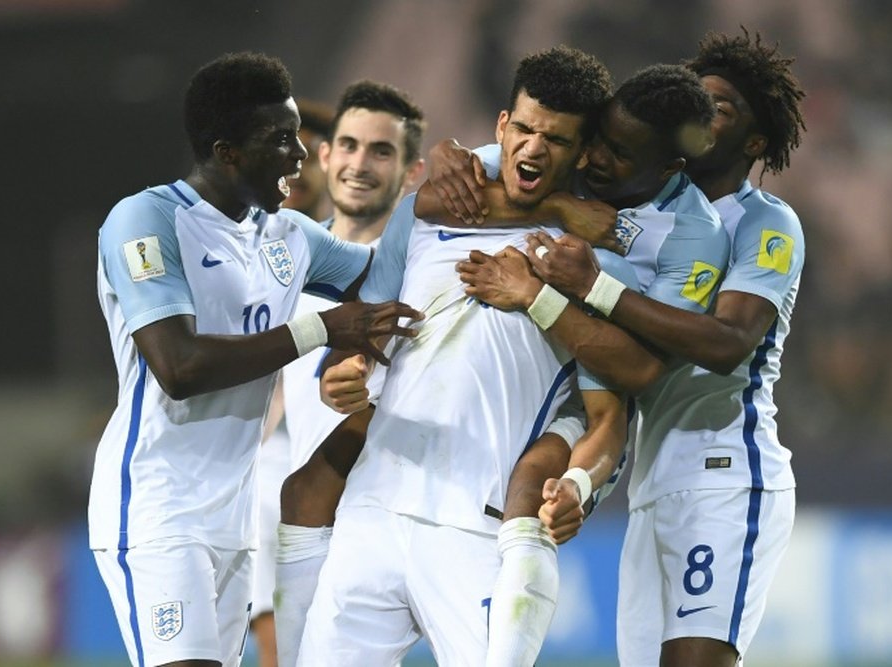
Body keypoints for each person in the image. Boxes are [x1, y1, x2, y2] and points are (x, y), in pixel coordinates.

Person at [460, 30, 807, 667]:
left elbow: (728, 343)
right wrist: (454, 159)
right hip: (652, 479)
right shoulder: (637, 202)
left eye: (722, 109)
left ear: (755, 142)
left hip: (725, 471)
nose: (700, 117)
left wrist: (592, 285)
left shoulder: (764, 222)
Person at [87, 51, 420, 667]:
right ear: (226, 152)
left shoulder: (288, 236)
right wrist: (320, 328)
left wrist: (448, 192)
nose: (299, 155)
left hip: (235, 521)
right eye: (280, 140)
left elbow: (389, 280)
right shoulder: (146, 220)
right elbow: (179, 367)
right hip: (158, 509)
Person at [296, 45, 626, 666]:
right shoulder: (427, 215)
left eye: (555, 139)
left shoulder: (590, 256)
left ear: (582, 154)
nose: (533, 148)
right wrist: (345, 370)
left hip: (475, 523)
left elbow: (609, 409)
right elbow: (365, 322)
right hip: (374, 508)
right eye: (524, 129)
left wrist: (578, 482)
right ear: (502, 127)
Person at [427, 62, 729, 663]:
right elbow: (446, 189)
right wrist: (446, 154)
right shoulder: (569, 161)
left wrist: (546, 295)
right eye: (595, 139)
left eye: (619, 153)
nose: (594, 160)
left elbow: (639, 371)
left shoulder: (694, 236)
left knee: (532, 485)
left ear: (669, 167)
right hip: (518, 372)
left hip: (593, 387)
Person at [267, 79, 427, 667]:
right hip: (304, 522)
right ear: (325, 155)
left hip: (401, 522)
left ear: (413, 173)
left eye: (382, 151)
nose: (361, 163)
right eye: (349, 145)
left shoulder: (425, 274)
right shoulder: (283, 269)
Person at [249, 96, 334, 667]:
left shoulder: (359, 255)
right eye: (282, 151)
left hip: (370, 450)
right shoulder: (243, 254)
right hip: (287, 453)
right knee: (261, 491)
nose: (294, 167)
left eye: (306, 153)